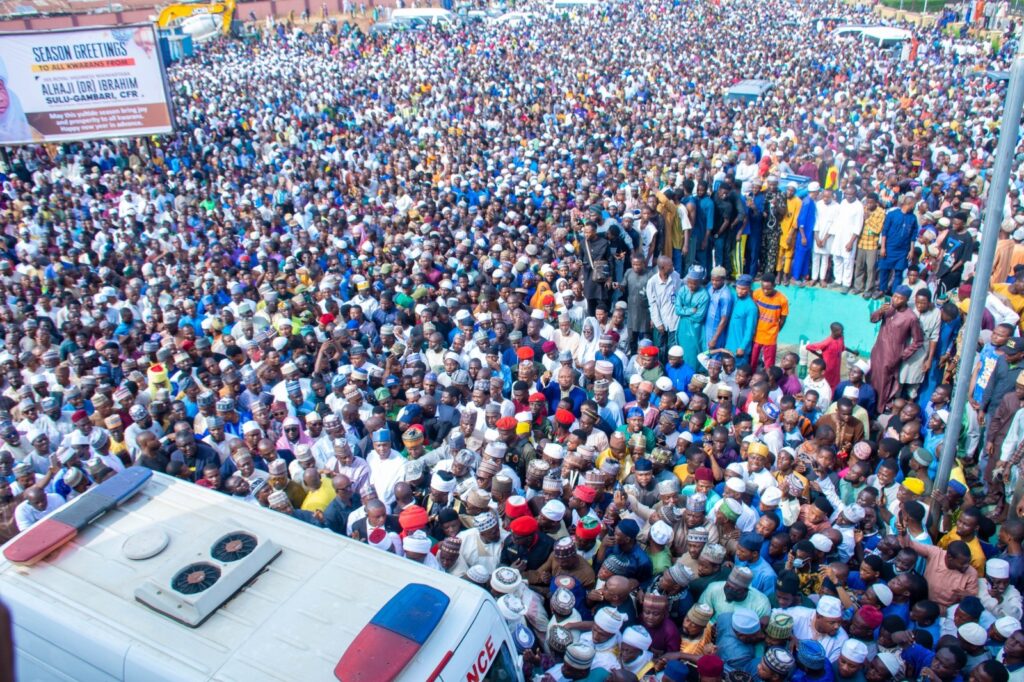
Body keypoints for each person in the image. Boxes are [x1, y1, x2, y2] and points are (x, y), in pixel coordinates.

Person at [869, 285, 924, 412]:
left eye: (900, 298)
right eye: (894, 296)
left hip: (892, 354)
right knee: (871, 377)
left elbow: (918, 341)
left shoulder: (911, 317)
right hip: (878, 350)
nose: (895, 300)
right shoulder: (888, 308)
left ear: (906, 300)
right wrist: (880, 311)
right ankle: (870, 404)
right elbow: (872, 319)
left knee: (884, 382)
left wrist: (903, 354)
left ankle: (879, 409)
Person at [751, 276, 789, 371]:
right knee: (752, 360)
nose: (765, 291)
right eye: (763, 288)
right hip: (756, 333)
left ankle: (768, 380)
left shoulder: (782, 300)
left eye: (768, 289)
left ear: (774, 285)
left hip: (770, 336)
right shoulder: (757, 293)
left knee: (769, 363)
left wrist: (776, 331)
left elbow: (783, 319)